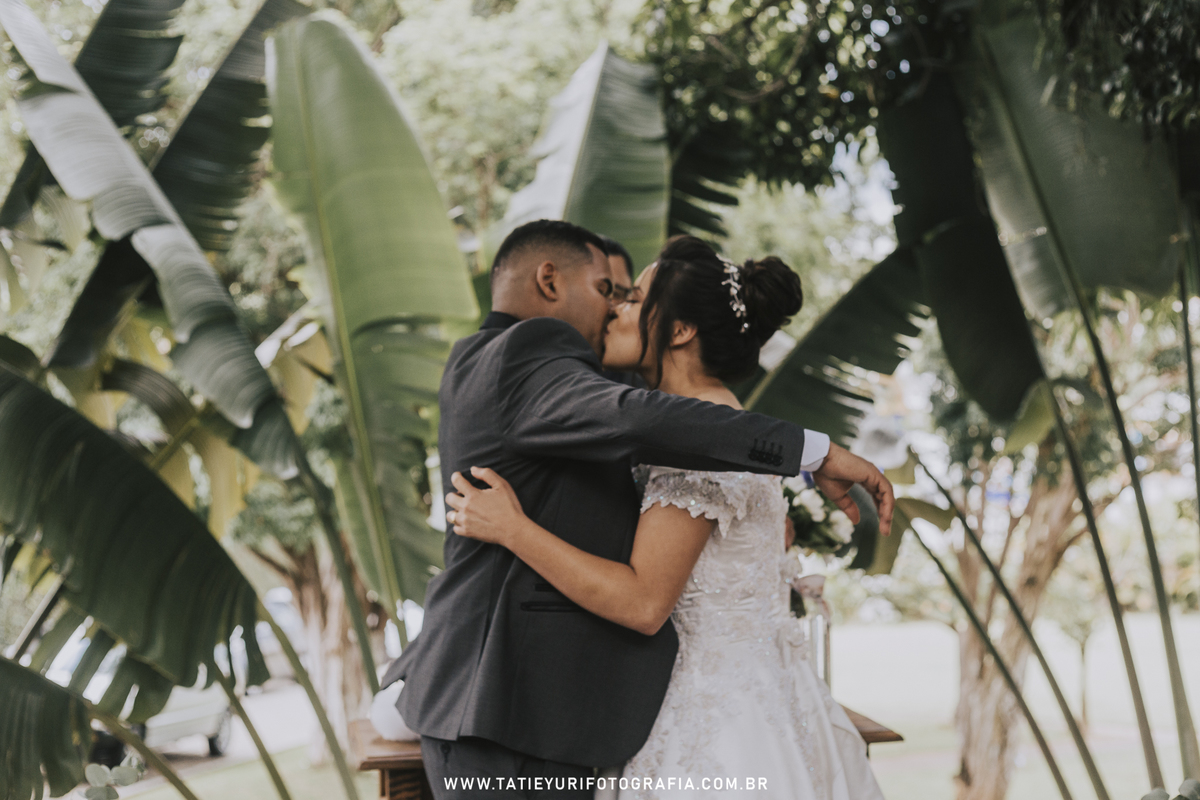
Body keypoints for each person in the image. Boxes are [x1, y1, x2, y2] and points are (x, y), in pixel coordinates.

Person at [382, 220, 893, 799]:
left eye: (632, 298)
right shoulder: (534, 354)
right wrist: (811, 453)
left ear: (679, 329)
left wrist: (514, 529)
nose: (615, 309)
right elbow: (636, 421)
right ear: (549, 281)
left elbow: (648, 575)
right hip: (507, 708)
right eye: (610, 291)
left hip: (636, 712)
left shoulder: (692, 435)